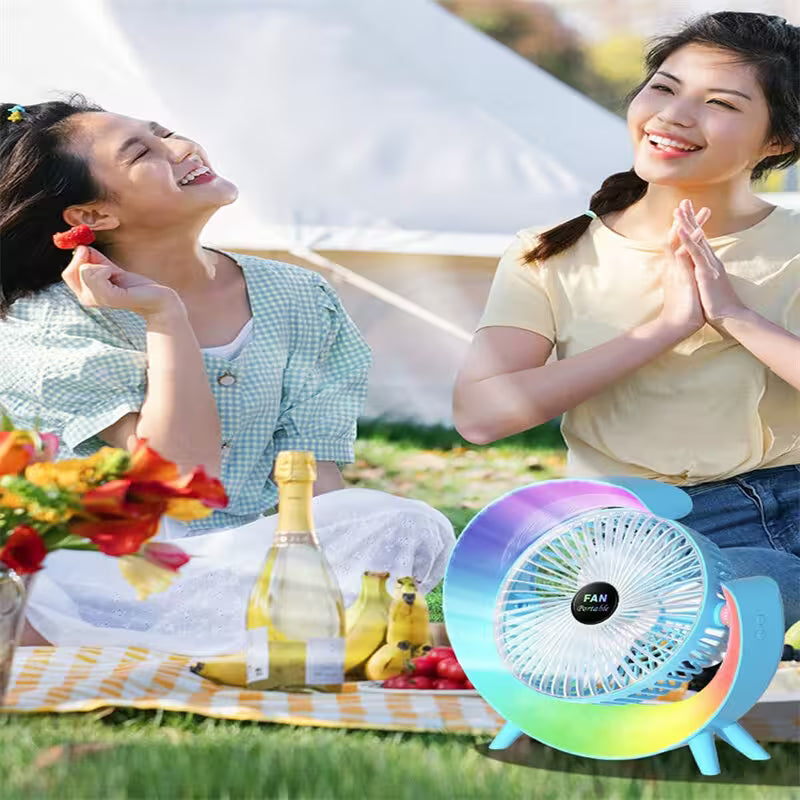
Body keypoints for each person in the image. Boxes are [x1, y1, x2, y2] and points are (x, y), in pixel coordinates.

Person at [0, 96, 455, 653]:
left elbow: (320, 491)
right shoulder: (48, 322)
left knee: (401, 522)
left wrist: (320, 578)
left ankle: (260, 632)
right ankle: (281, 640)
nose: (182, 148)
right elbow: (178, 474)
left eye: (165, 131)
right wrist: (163, 316)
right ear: (92, 216)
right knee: (34, 593)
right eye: (144, 151)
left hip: (247, 564)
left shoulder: (299, 297)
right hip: (109, 575)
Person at [454, 12, 800, 627]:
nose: (673, 116)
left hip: (793, 499)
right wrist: (661, 330)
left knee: (721, 608)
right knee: (692, 612)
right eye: (664, 88)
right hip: (637, 525)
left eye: (718, 102)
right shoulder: (550, 254)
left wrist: (734, 316)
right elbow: (481, 415)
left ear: (778, 142)